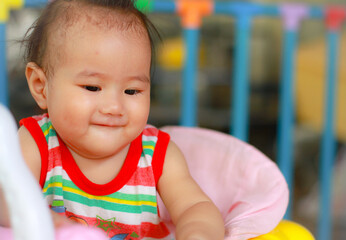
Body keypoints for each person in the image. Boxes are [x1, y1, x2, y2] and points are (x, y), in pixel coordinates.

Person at [0, 0, 225, 239]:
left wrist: (197, 232)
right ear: (41, 87)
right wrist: (45, 221)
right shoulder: (38, 143)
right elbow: (6, 198)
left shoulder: (156, 154)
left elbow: (195, 206)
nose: (114, 107)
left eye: (132, 91)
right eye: (92, 87)